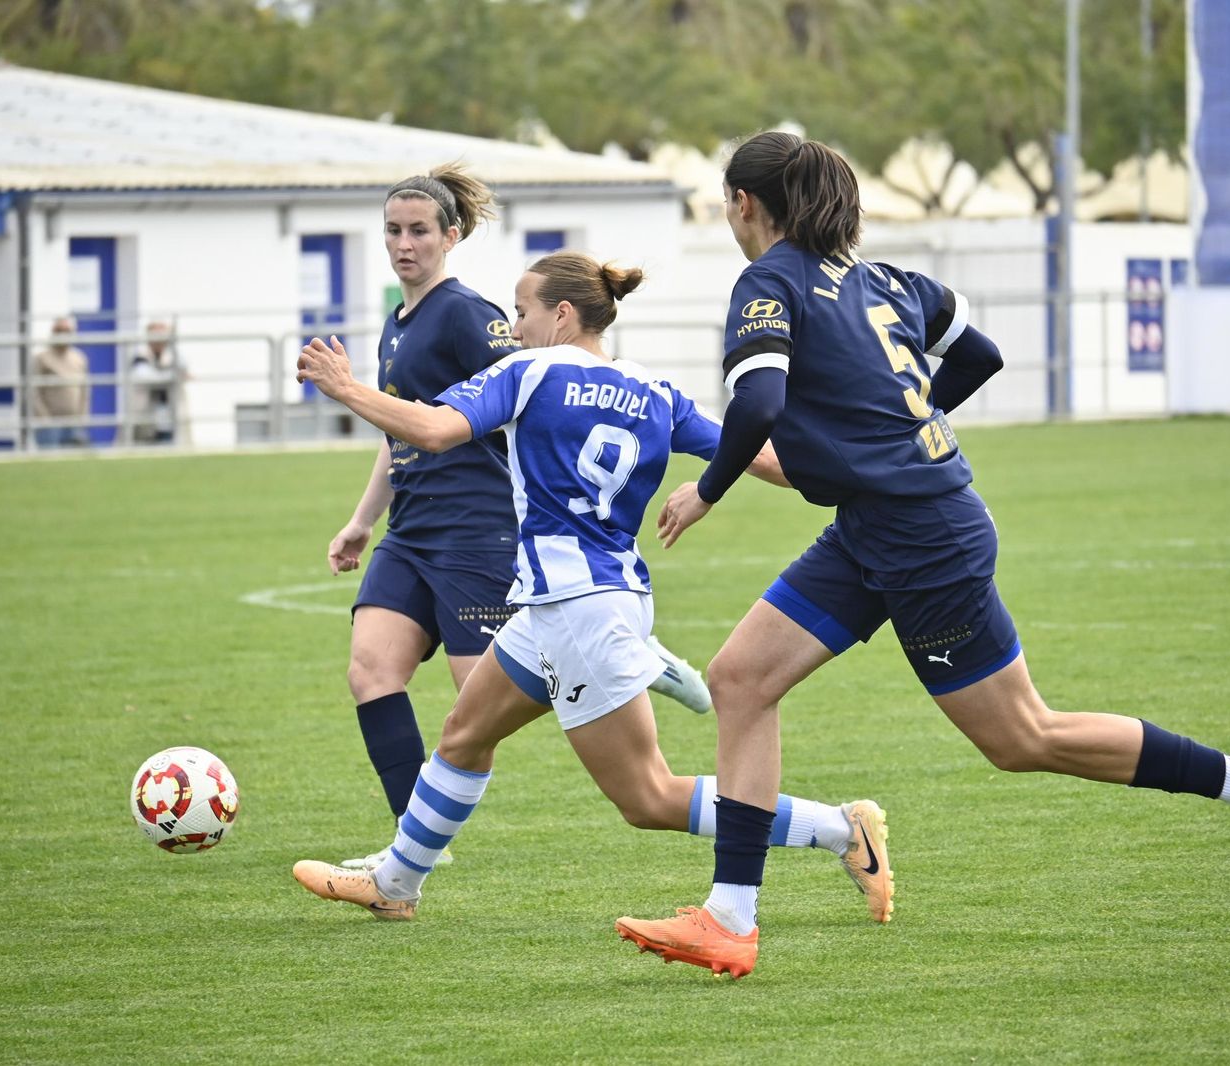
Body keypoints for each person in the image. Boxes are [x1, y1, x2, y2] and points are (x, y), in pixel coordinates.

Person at [614, 130, 1230, 979]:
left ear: (743, 203)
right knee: (740, 679)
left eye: (724, 203)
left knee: (1022, 736)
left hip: (923, 538)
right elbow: (980, 355)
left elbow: (759, 402)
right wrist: (896, 436)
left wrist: (709, 489)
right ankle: (731, 917)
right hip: (878, 525)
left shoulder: (769, 281)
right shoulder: (887, 279)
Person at [290, 251, 894, 934]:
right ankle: (395, 884)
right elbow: (766, 457)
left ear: (562, 315)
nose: (514, 327)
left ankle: (839, 829)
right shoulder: (654, 390)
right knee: (463, 734)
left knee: (648, 796)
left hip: (579, 609)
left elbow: (432, 431)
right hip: (571, 601)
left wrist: (346, 387)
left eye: (521, 311)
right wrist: (864, 470)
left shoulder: (528, 372)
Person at [319, 165, 714, 873]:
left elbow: (526, 399)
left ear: (451, 236)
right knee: (372, 670)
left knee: (484, 706)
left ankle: (637, 658)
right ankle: (408, 853)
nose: (404, 243)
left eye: (418, 231)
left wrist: (346, 389)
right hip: (412, 528)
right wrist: (363, 518)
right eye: (393, 230)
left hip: (478, 526)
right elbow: (402, 428)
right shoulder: (396, 326)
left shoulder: (474, 318)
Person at [31, 316, 90, 447]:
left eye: (67, 331)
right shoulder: (42, 358)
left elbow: (85, 392)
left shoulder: (79, 358)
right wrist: (44, 419)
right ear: (53, 332)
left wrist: (82, 419)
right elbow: (34, 392)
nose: (63, 334)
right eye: (59, 330)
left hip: (74, 424)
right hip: (49, 426)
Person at [128, 320, 182, 444]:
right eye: (156, 335)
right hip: (145, 415)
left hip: (168, 416)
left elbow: (183, 367)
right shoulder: (140, 357)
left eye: (163, 335)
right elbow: (150, 378)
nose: (159, 340)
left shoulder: (172, 355)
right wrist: (170, 374)